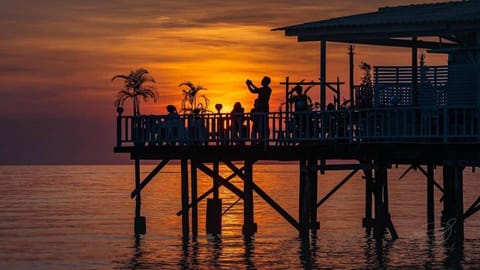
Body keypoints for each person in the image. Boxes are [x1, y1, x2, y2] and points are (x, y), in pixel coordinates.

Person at [246, 76, 272, 142]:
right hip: (258, 111)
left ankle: (263, 141)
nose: (261, 81)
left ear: (266, 82)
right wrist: (248, 85)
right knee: (256, 126)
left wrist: (251, 84)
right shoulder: (262, 89)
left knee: (263, 127)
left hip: (264, 111)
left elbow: (257, 90)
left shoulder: (268, 89)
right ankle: (254, 141)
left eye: (263, 80)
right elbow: (253, 91)